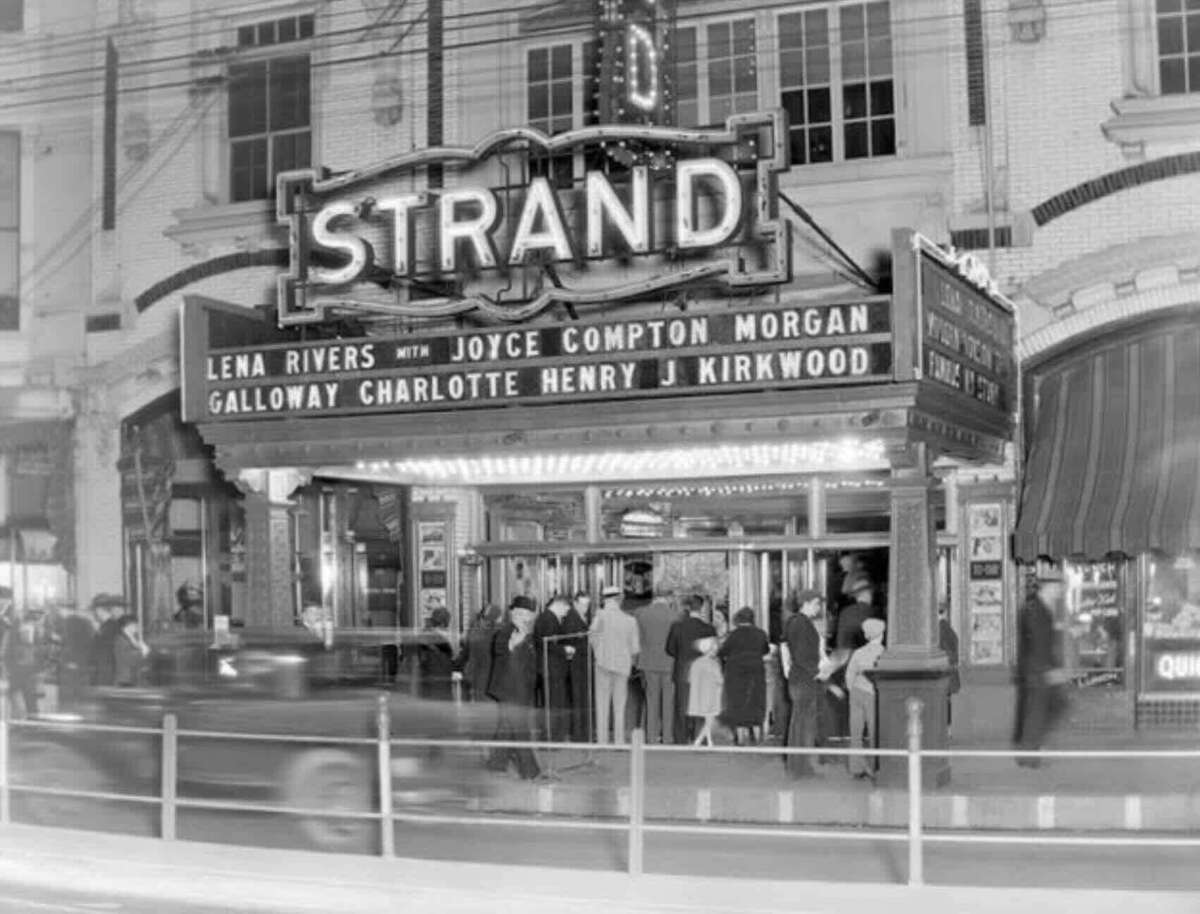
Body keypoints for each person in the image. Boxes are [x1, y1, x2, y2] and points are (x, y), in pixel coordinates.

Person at [1014, 570, 1066, 767]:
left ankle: (1030, 750)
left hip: (1038, 670)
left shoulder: (1042, 608)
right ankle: (1028, 755)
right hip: (1036, 671)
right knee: (1037, 713)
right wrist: (1049, 670)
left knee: (1046, 709)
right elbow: (1038, 643)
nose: (1061, 591)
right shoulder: (1035, 610)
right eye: (1058, 586)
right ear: (1049, 586)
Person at [486, 597, 542, 780]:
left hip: (518, 688)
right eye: (526, 613)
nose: (529, 617)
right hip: (510, 690)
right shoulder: (506, 631)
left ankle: (496, 764)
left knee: (505, 728)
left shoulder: (526, 632)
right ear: (516, 613)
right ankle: (530, 772)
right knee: (521, 730)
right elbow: (500, 649)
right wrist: (513, 644)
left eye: (530, 614)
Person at [781, 589, 824, 778]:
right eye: (816, 603)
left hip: (798, 678)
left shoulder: (794, 622)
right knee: (804, 723)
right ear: (806, 603)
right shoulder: (802, 623)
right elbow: (802, 654)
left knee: (800, 721)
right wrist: (818, 671)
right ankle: (801, 767)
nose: (819, 607)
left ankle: (798, 766)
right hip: (804, 679)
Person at [589, 585, 640, 745]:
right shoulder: (630, 620)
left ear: (604, 599)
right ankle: (619, 741)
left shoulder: (599, 617)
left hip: (602, 665)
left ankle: (602, 741)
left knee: (602, 704)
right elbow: (635, 648)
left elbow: (591, 638)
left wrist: (600, 653)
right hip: (622, 666)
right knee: (620, 705)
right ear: (619, 599)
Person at [666, 594, 716, 744]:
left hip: (682, 672)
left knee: (681, 706)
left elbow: (669, 649)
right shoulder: (708, 628)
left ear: (687, 607)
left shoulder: (677, 626)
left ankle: (681, 740)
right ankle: (698, 739)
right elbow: (713, 652)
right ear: (702, 608)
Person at [718, 606, 770, 745]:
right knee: (755, 699)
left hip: (736, 673)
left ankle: (738, 735)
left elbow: (723, 651)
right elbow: (765, 650)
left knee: (737, 700)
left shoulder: (734, 635)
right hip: (756, 672)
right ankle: (755, 731)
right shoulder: (761, 634)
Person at [845, 618, 886, 779]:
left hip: (856, 691)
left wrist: (852, 689)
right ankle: (875, 767)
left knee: (856, 732)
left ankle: (856, 768)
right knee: (875, 731)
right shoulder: (884, 653)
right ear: (881, 634)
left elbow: (849, 673)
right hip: (873, 694)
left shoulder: (858, 652)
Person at [636, 595, 677, 744]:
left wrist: (637, 660)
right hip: (670, 663)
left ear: (654, 599)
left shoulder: (642, 614)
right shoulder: (675, 616)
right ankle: (667, 737)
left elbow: (638, 639)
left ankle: (651, 737)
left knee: (651, 699)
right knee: (668, 701)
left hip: (648, 663)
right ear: (667, 600)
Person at [533, 595, 572, 740]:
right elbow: (549, 644)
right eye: (566, 609)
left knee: (551, 703)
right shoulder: (549, 619)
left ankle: (551, 736)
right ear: (559, 604)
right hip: (552, 668)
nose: (566, 613)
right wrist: (565, 650)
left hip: (549, 668)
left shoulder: (545, 617)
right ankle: (551, 737)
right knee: (554, 704)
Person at [561, 592, 592, 741]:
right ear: (575, 603)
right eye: (582, 604)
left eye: (587, 604)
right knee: (578, 698)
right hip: (576, 664)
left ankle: (582, 732)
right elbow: (569, 640)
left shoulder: (581, 616)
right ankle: (579, 734)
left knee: (581, 698)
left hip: (581, 663)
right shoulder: (571, 618)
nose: (585, 607)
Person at [458, 604, 501, 702]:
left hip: (474, 677)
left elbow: (465, 654)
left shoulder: (474, 630)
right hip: (489, 679)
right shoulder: (496, 632)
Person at [58, 603, 97, 710]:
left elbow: (70, 643)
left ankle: (68, 711)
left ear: (65, 609)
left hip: (71, 662)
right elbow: (89, 642)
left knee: (68, 692)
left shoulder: (68, 622)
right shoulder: (86, 622)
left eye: (60, 610)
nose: (60, 613)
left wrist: (70, 660)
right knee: (81, 690)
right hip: (83, 662)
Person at [689, 637, 724, 747]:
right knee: (710, 720)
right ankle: (699, 740)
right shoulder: (713, 664)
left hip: (699, 695)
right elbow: (720, 679)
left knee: (707, 720)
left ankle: (708, 741)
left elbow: (690, 679)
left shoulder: (696, 663)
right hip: (712, 694)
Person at [418, 607, 455, 700]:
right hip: (437, 676)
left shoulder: (427, 634)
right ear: (443, 620)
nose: (449, 622)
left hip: (434, 676)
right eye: (447, 619)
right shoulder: (434, 636)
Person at [938, 604, 961, 732]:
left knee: (943, 699)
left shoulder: (940, 627)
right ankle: (947, 727)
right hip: (948, 668)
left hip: (944, 668)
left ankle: (946, 728)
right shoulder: (945, 626)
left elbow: (946, 647)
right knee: (946, 699)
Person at [113, 615, 150, 687]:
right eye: (135, 625)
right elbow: (128, 658)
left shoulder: (132, 638)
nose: (137, 627)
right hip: (125, 680)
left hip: (133, 678)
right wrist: (142, 652)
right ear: (128, 626)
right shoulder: (121, 640)